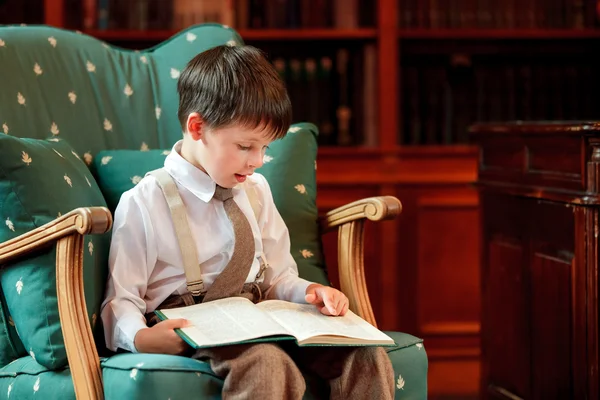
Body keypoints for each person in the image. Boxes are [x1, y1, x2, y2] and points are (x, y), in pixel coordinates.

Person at [100, 44, 394, 399]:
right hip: (195, 325)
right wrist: (141, 337)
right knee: (267, 363)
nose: (258, 161)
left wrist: (310, 292)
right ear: (197, 127)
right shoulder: (145, 201)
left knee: (365, 353)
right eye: (245, 146)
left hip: (260, 318)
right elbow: (121, 299)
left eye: (265, 148)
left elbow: (277, 277)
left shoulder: (256, 191)